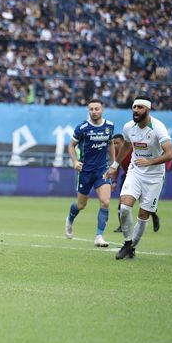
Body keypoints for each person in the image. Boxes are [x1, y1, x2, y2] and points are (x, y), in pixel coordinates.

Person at [105, 96, 172, 260]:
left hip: (155, 176)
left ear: (148, 110)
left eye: (140, 107)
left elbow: (170, 154)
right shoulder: (129, 127)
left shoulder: (158, 128)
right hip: (135, 172)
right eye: (134, 107)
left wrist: (150, 161)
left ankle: (132, 247)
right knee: (124, 208)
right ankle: (127, 243)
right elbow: (127, 145)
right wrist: (114, 165)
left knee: (143, 217)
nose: (136, 110)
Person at [65, 98, 115, 247]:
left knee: (105, 202)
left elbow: (111, 143)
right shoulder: (82, 128)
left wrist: (113, 163)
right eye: (91, 109)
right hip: (85, 171)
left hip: (102, 170)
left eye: (96, 109)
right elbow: (71, 145)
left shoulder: (109, 126)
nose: (94, 112)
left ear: (102, 110)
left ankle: (99, 236)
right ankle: (69, 219)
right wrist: (74, 161)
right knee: (81, 205)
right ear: (88, 111)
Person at [111, 134, 162, 233]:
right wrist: (114, 181)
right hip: (127, 177)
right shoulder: (117, 153)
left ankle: (154, 216)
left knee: (144, 202)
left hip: (142, 176)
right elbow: (115, 167)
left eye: (117, 143)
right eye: (114, 143)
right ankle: (122, 226)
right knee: (122, 201)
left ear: (123, 142)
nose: (115, 145)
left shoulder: (132, 150)